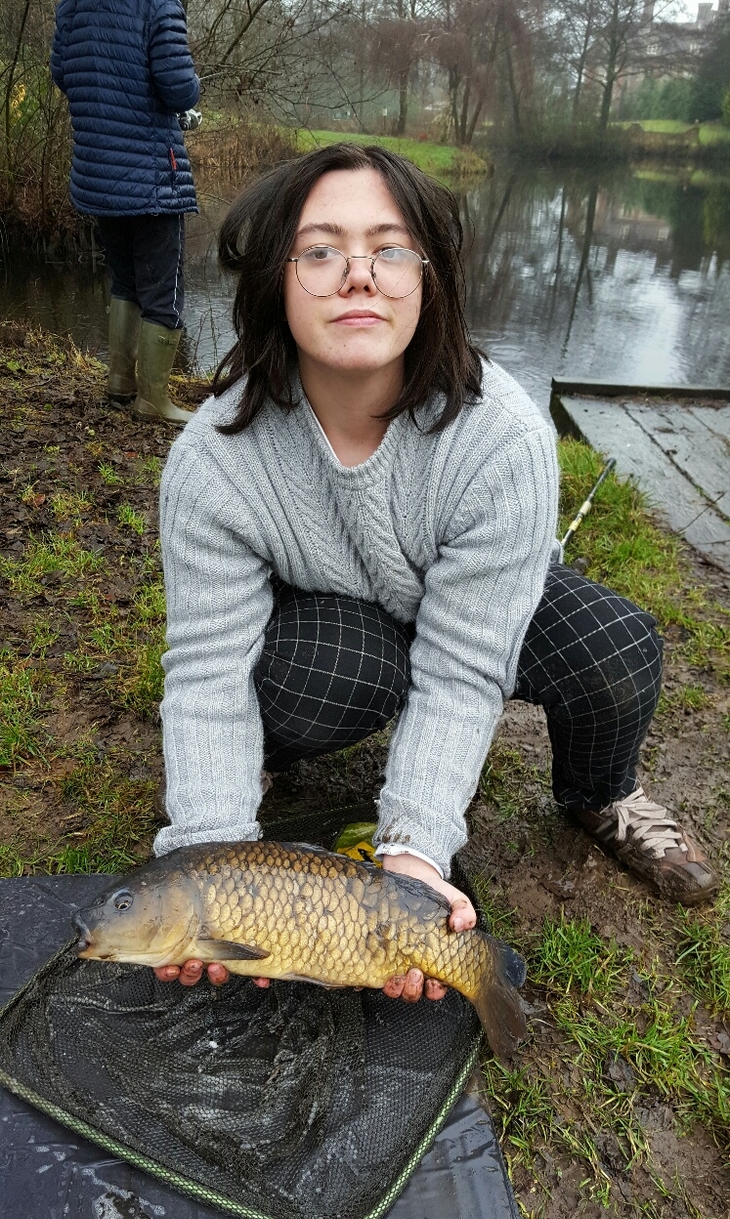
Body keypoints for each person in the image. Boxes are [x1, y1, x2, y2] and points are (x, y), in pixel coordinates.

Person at [152, 144, 718, 1000]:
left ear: (429, 278)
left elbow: (461, 668)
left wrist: (413, 854)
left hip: (468, 609)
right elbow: (204, 671)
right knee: (320, 672)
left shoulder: (506, 440)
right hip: (339, 615)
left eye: (390, 248)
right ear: (275, 276)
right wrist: (212, 855)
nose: (358, 277)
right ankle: (248, 771)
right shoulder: (213, 462)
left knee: (616, 649)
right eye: (320, 250)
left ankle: (604, 793)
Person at [51, 0, 200, 425]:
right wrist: (192, 87)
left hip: (97, 170)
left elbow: (63, 73)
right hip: (150, 173)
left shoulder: (71, 5)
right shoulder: (157, 4)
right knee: (163, 290)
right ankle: (153, 401)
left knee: (125, 278)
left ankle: (120, 382)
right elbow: (178, 88)